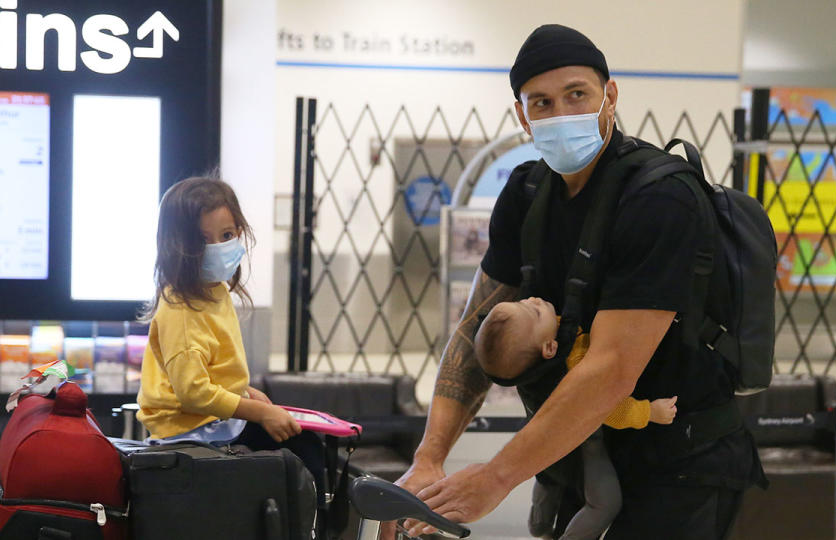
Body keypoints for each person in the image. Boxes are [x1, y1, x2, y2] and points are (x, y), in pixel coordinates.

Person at [383, 24, 765, 540]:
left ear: (610, 95)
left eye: (577, 94)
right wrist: (429, 460)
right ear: (522, 115)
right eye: (541, 102)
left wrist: (496, 477)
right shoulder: (525, 194)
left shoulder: (660, 198)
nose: (561, 114)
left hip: (679, 465)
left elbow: (610, 370)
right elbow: (477, 332)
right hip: (579, 462)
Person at [135, 174, 326, 503]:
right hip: (191, 432)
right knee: (302, 453)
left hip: (211, 422)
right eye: (202, 239)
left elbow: (211, 370)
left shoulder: (214, 291)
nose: (218, 247)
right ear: (177, 244)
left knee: (308, 444)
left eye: (226, 235)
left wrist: (246, 392)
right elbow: (193, 392)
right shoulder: (180, 307)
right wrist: (259, 412)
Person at [475, 297, 678, 539]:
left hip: (542, 453)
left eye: (523, 301)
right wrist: (649, 412)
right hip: (581, 449)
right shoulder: (573, 357)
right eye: (535, 311)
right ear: (550, 348)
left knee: (548, 478)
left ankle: (538, 525)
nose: (534, 299)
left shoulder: (529, 364)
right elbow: (606, 406)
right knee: (605, 504)